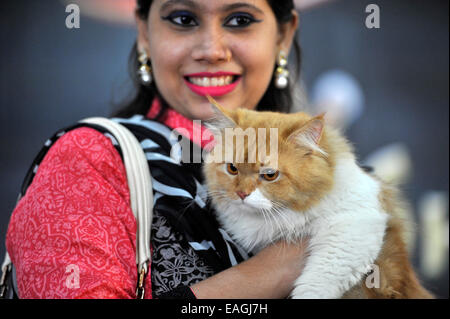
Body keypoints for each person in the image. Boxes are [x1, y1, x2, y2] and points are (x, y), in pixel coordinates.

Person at [4, 0, 308, 299]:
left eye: (240, 20)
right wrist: (275, 270)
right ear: (145, 33)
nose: (212, 51)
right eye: (183, 19)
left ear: (283, 36)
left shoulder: (320, 173)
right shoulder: (89, 159)